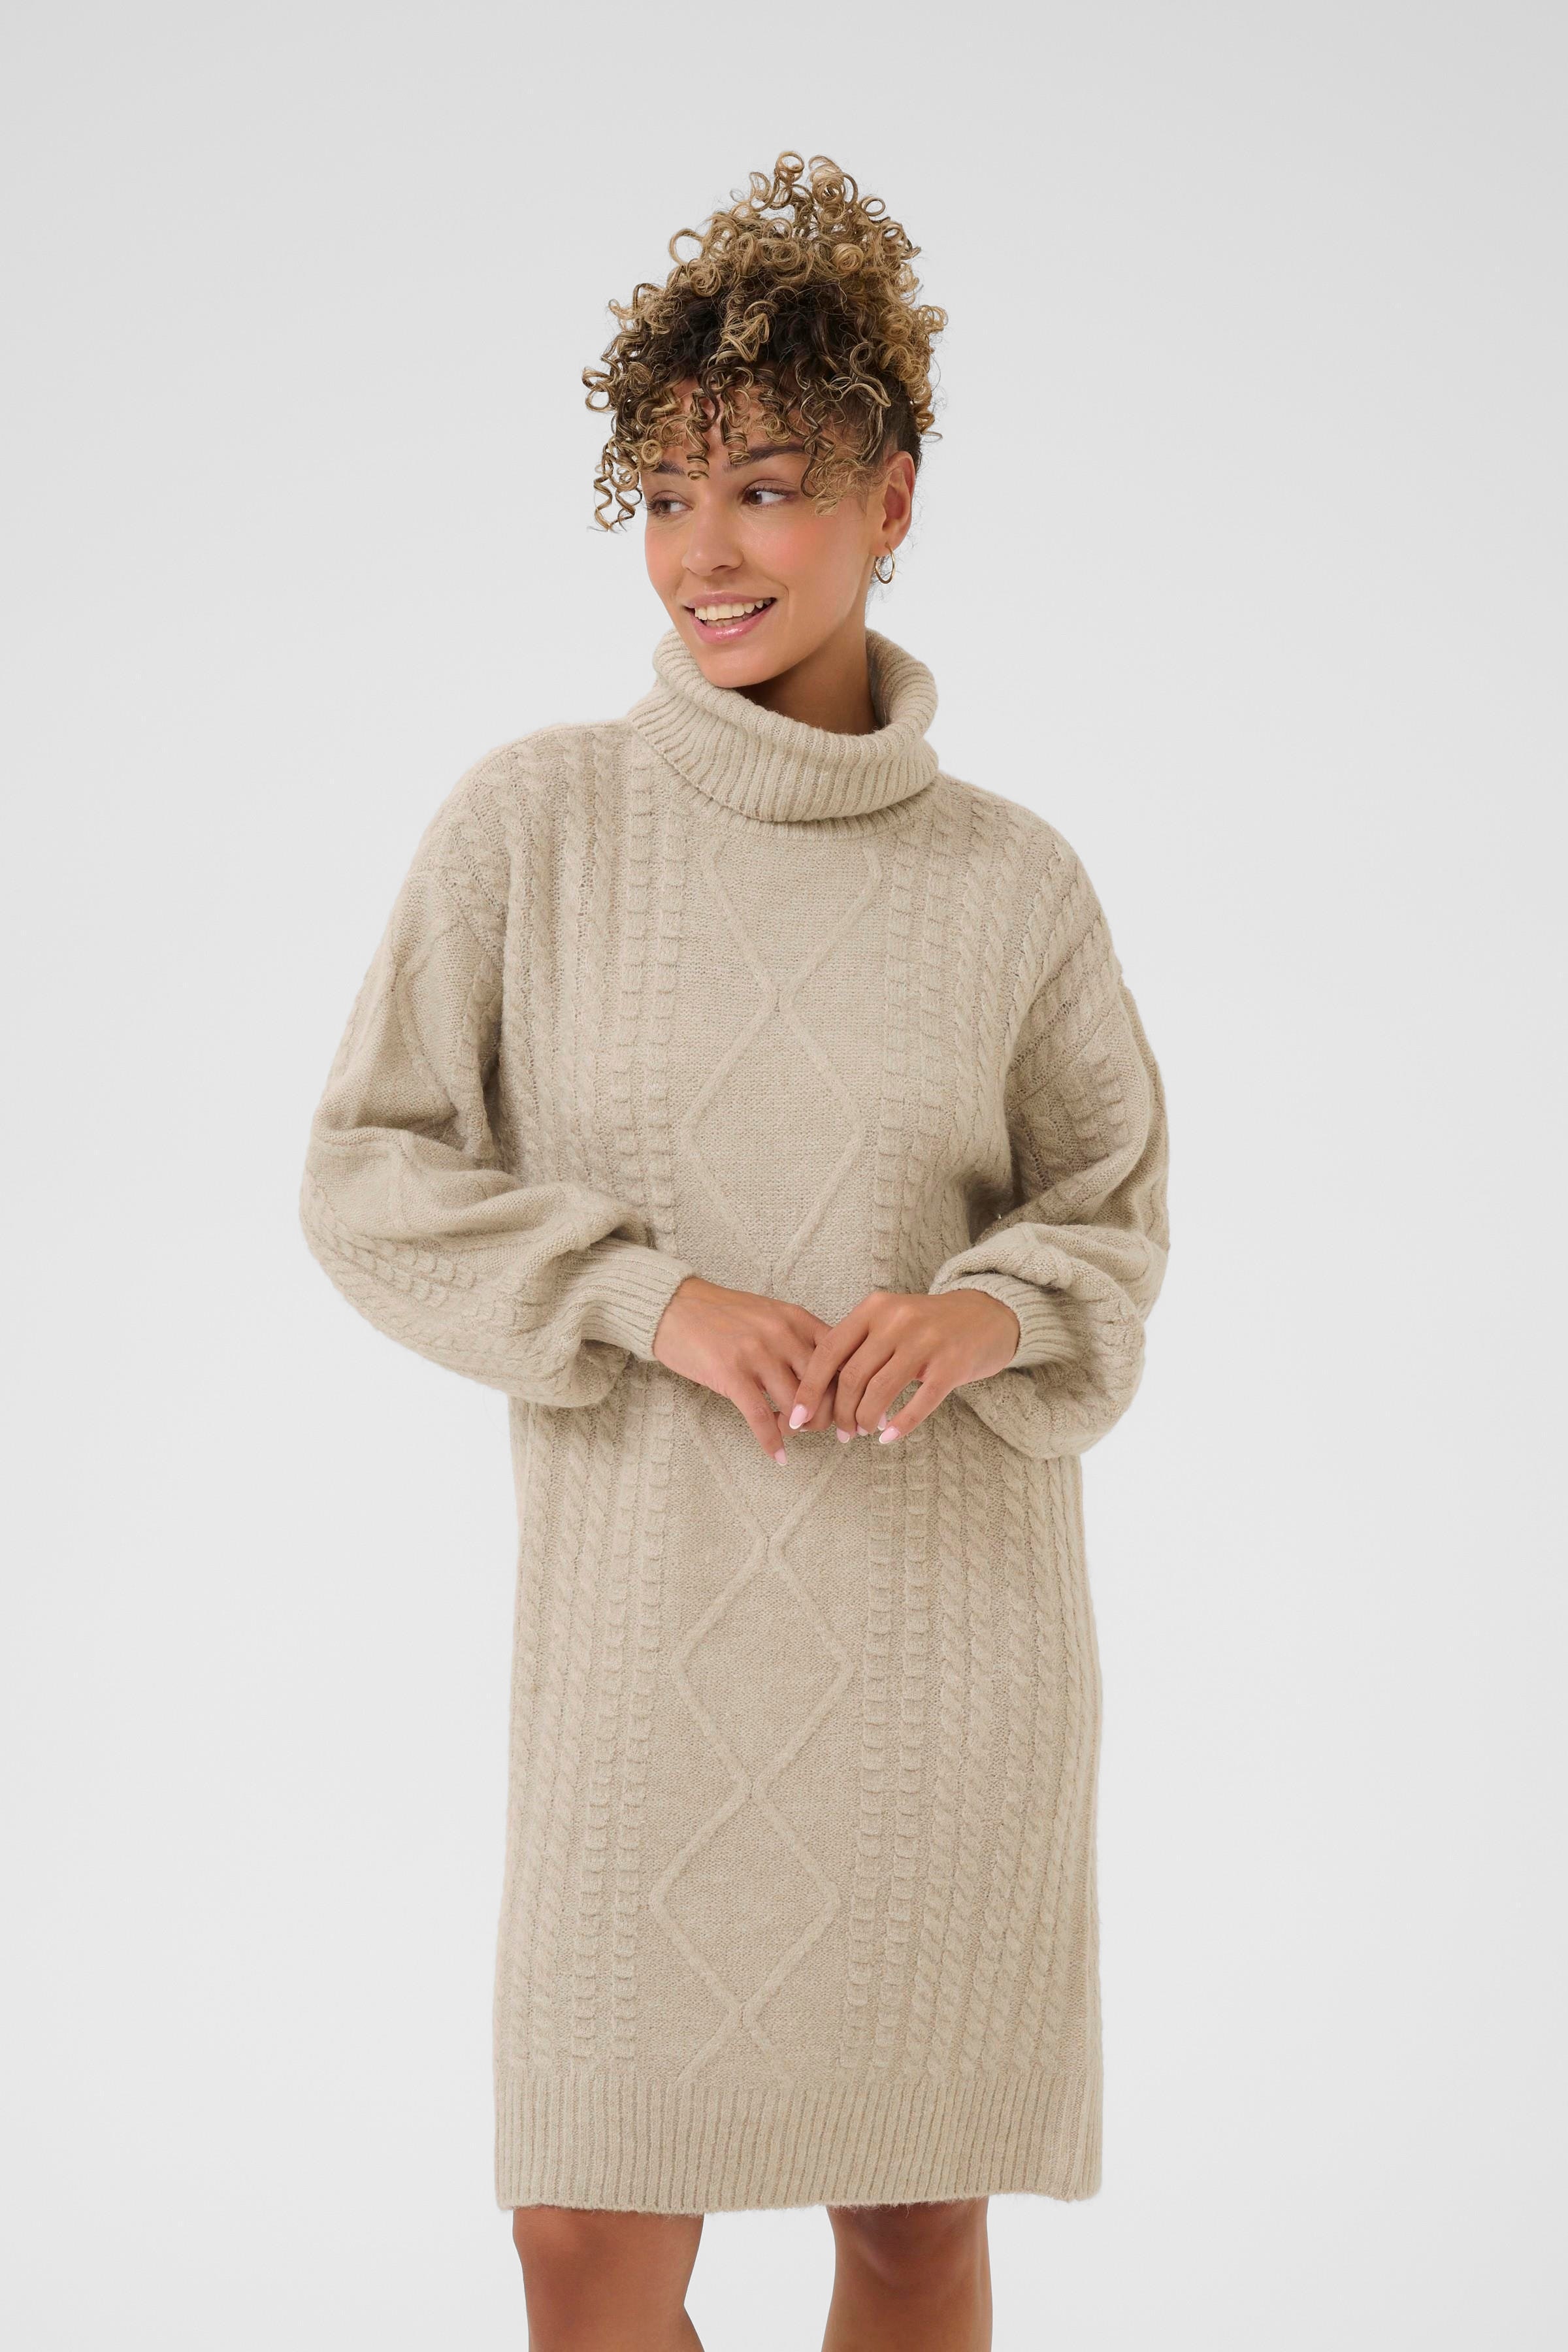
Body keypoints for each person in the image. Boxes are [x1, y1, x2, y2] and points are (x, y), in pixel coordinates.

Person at [299, 150, 1170, 2352]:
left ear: (893, 498)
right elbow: (368, 1171)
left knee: (912, 2231)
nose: (707, 551)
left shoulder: (1013, 885)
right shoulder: (537, 827)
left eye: (766, 490)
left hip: (943, 1666)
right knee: (584, 2246)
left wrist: (987, 1313)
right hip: (646, 1655)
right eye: (671, 496)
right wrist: (643, 1296)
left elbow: (1113, 1221)